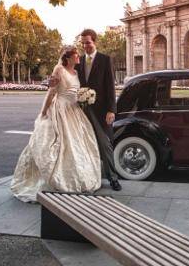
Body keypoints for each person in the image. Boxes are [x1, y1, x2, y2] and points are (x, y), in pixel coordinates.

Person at [10, 46, 102, 203]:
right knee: (58, 142)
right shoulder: (59, 69)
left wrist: (84, 98)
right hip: (60, 108)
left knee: (78, 142)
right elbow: (52, 91)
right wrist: (44, 111)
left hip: (74, 109)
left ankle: (79, 176)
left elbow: (75, 90)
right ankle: (55, 179)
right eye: (76, 56)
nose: (78, 58)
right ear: (68, 58)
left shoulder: (76, 73)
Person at [77, 29, 122, 191]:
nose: (85, 46)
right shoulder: (79, 61)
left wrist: (111, 110)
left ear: (95, 42)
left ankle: (113, 179)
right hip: (81, 110)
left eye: (88, 42)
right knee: (85, 145)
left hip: (102, 111)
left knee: (105, 144)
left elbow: (110, 86)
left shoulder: (105, 59)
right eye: (82, 43)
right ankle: (89, 179)